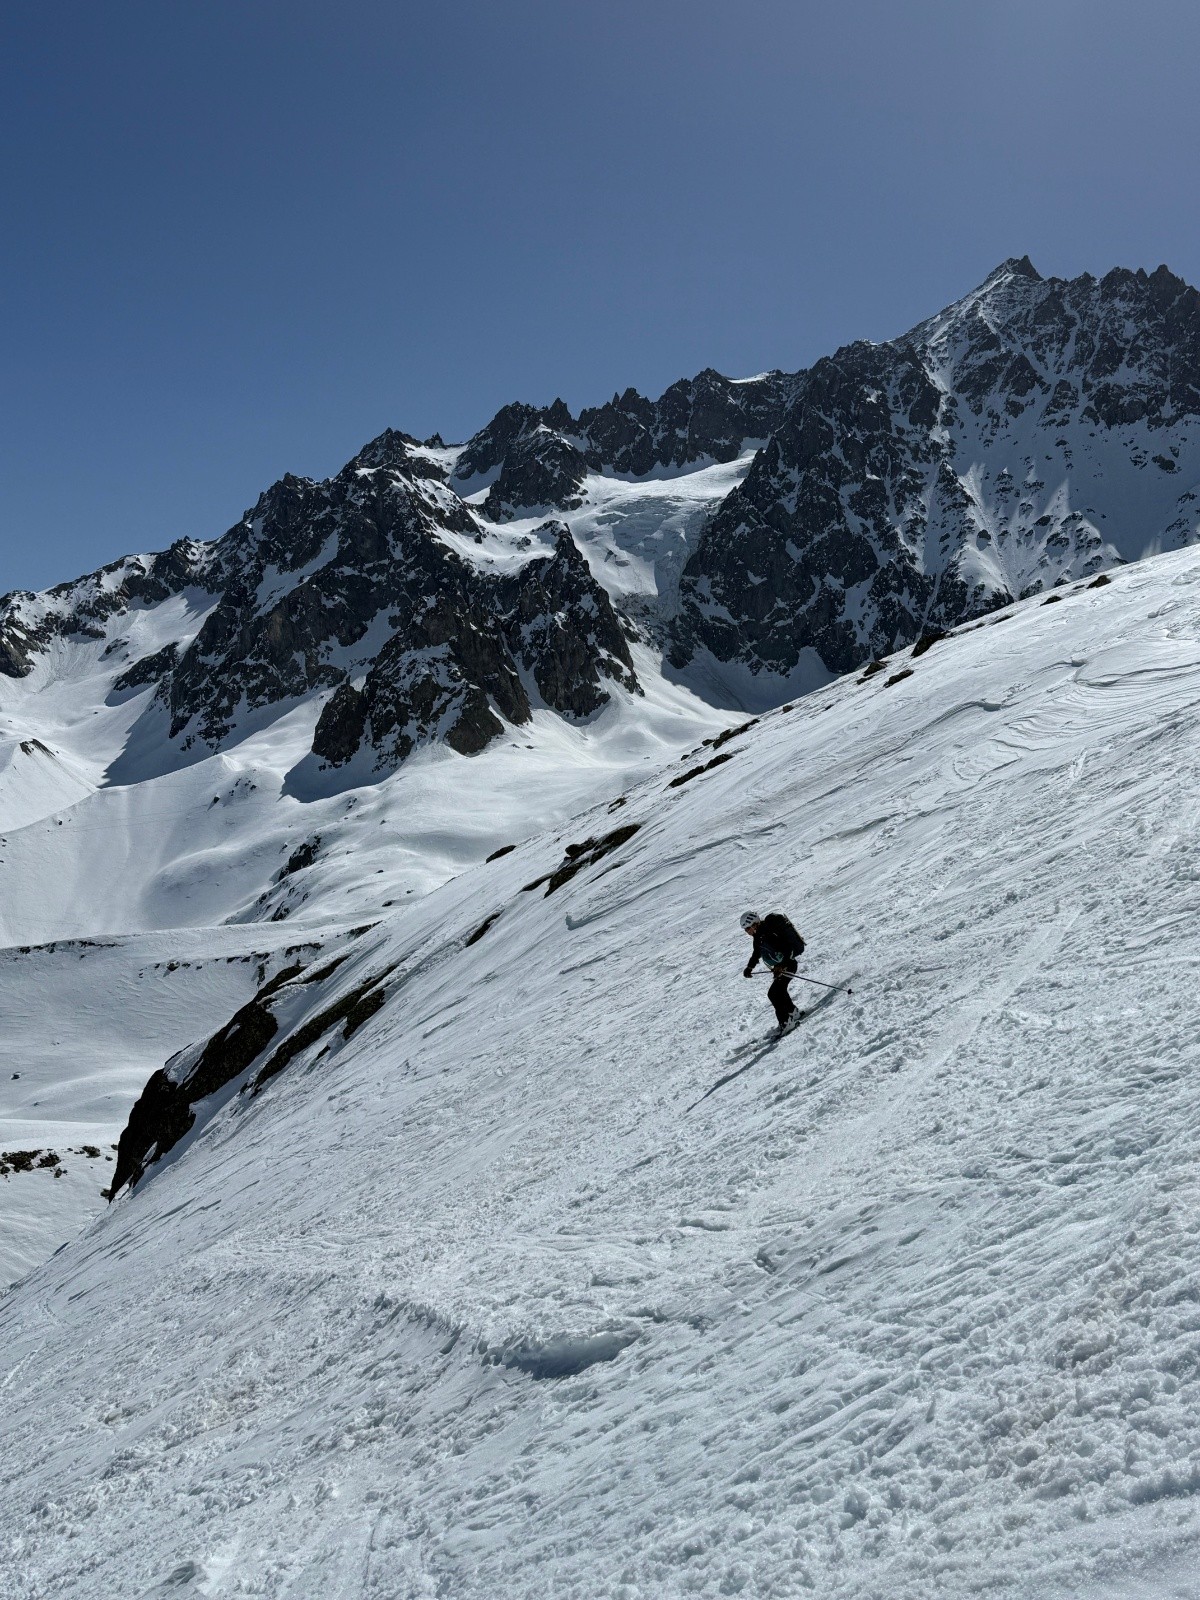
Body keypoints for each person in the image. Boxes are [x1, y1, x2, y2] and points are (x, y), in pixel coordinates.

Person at [740, 909, 805, 1032]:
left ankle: (786, 1023)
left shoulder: (769, 933)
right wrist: (749, 967)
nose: (747, 932)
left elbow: (787, 949)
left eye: (748, 928)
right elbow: (756, 953)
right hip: (781, 967)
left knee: (774, 993)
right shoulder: (758, 936)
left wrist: (782, 966)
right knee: (779, 991)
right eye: (745, 929)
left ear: (754, 924)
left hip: (788, 965)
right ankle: (793, 1013)